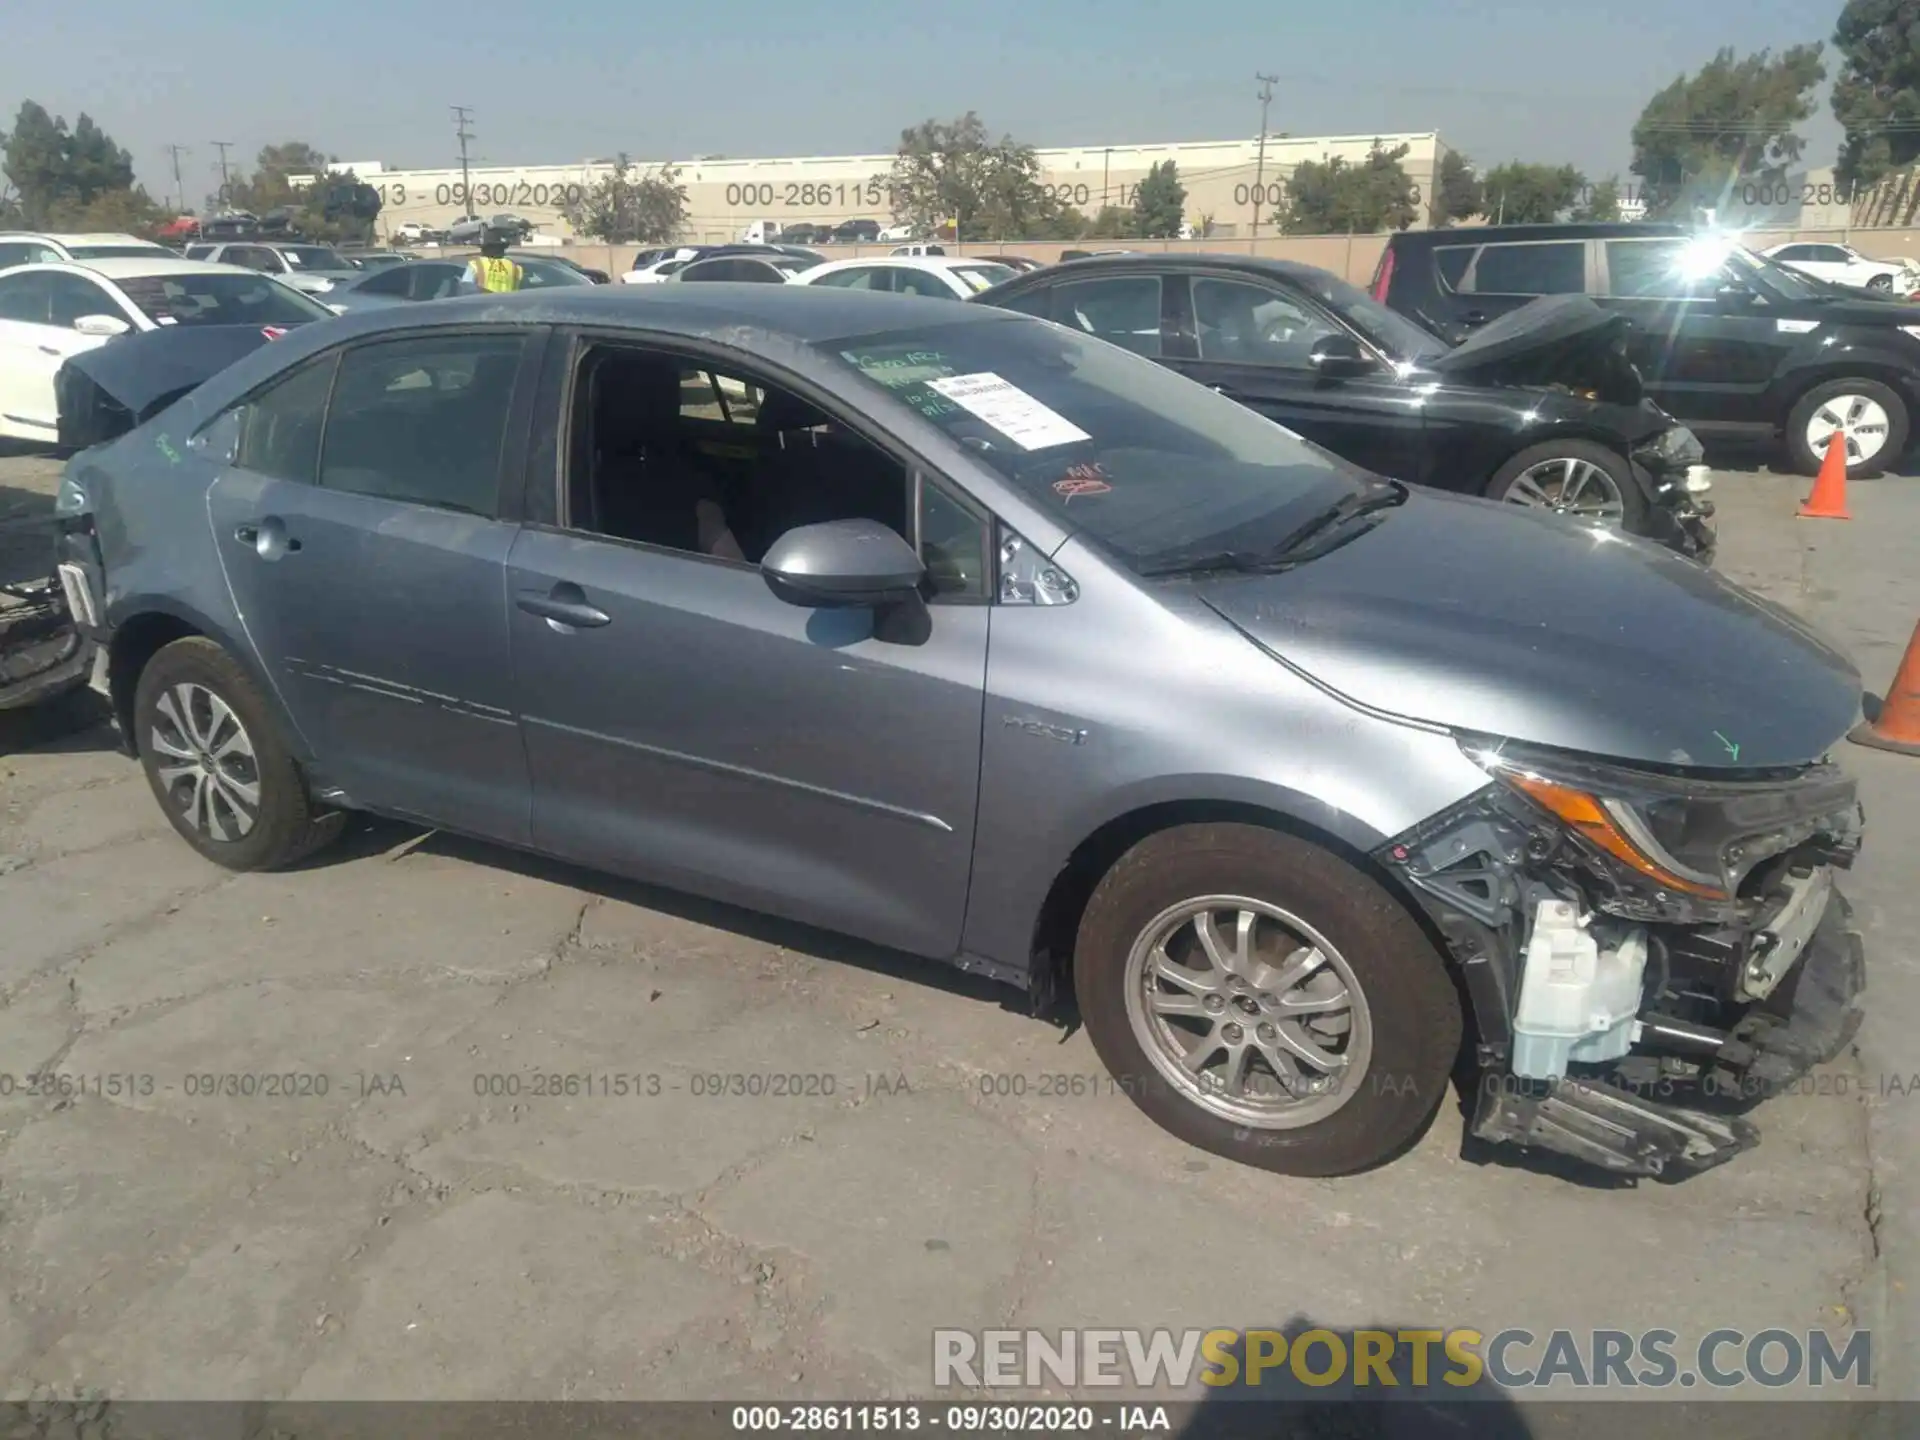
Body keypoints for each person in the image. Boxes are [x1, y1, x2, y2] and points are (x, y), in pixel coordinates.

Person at [458, 227, 525, 293]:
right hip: (508, 303)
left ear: (485, 249)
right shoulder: (515, 267)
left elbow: (466, 288)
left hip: (484, 303)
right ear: (502, 249)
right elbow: (517, 291)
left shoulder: (476, 265)